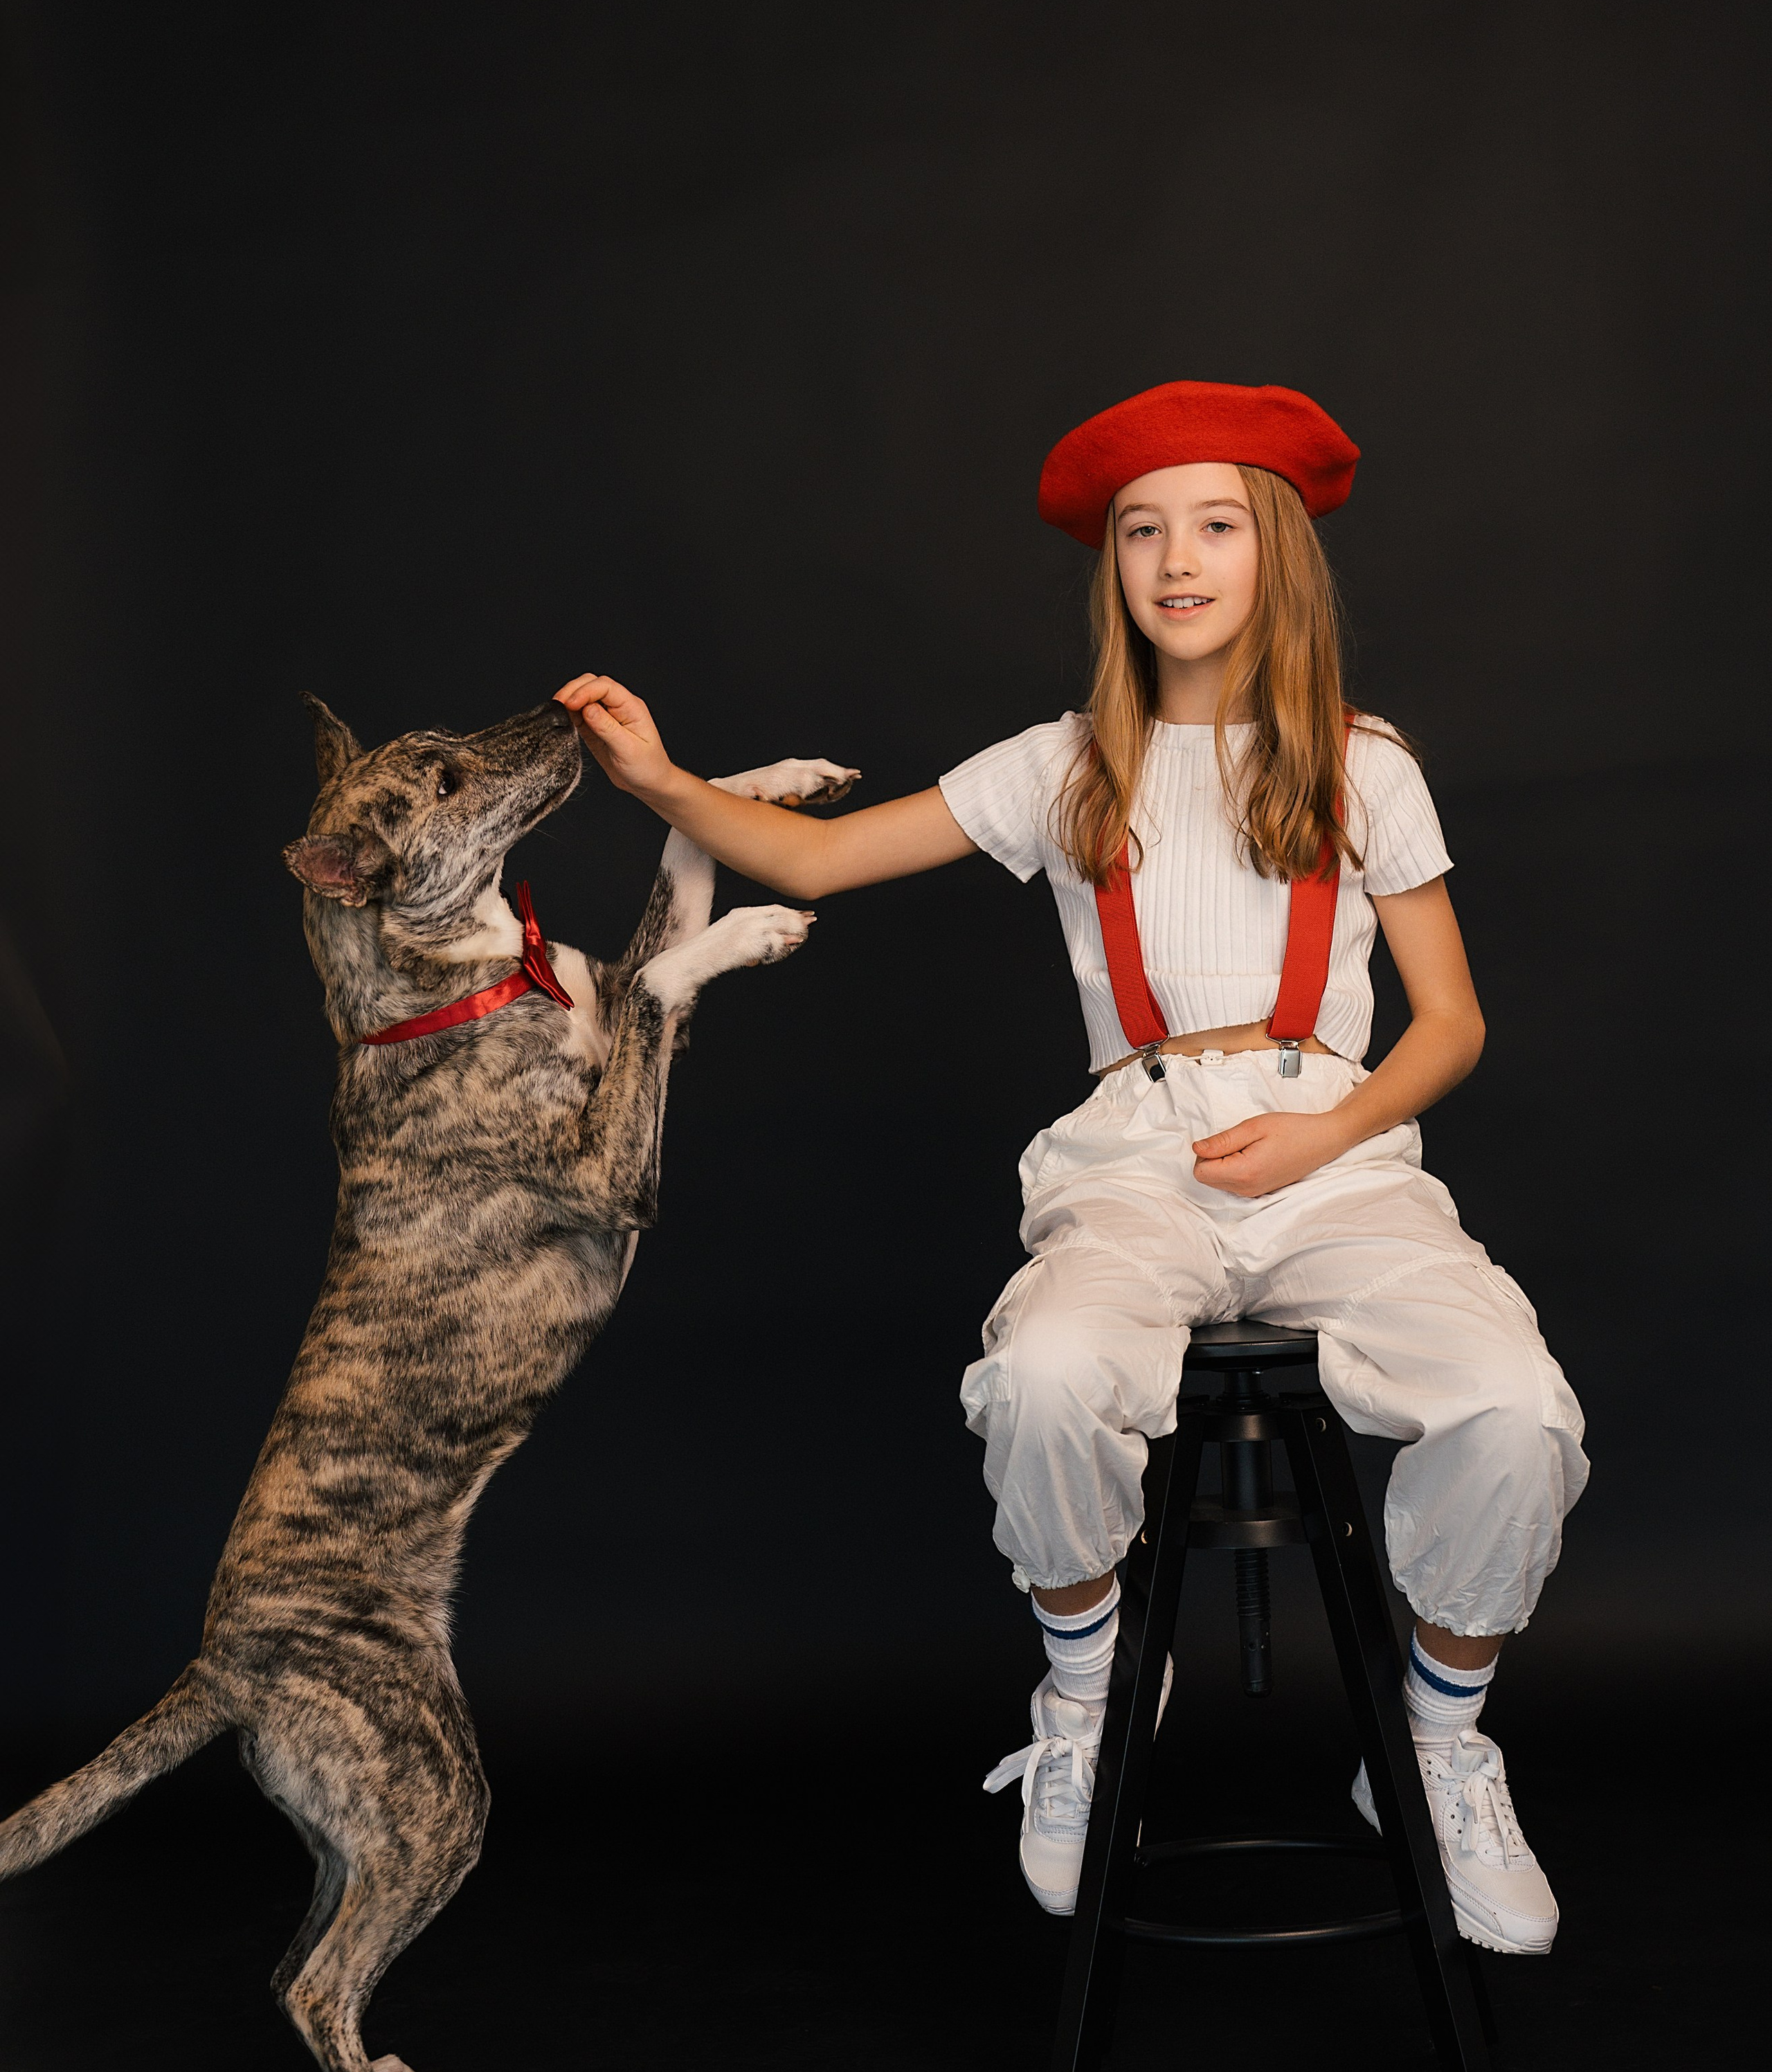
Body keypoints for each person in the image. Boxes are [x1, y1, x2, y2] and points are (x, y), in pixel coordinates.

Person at [554, 377, 1587, 1956]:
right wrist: (658, 781)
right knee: (1040, 1377)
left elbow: (1449, 1022)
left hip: (1339, 1160)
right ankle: (1091, 1696)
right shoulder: (1063, 765)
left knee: (1511, 1404)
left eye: (1215, 525)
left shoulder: (1361, 763)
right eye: (1142, 530)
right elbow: (818, 855)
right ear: (1113, 566)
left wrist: (1325, 1131)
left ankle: (1438, 1741)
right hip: (1135, 1162)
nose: (1177, 559)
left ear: (1277, 554)